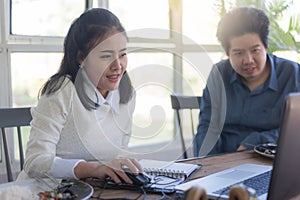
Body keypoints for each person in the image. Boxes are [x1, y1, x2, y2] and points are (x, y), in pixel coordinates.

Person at [17, 8, 142, 185]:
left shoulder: (127, 94)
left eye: (122, 54)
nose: (118, 66)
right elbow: (35, 161)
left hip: (96, 191)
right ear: (81, 58)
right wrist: (93, 169)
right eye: (106, 56)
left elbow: (117, 155)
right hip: (46, 190)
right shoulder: (63, 91)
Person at [194, 7, 300, 156]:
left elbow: (296, 130)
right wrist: (207, 166)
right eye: (238, 53)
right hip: (224, 160)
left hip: (274, 161)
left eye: (255, 50)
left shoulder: (293, 74)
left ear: (266, 47)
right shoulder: (219, 74)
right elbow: (207, 129)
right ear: (227, 54)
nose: (248, 60)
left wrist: (257, 142)